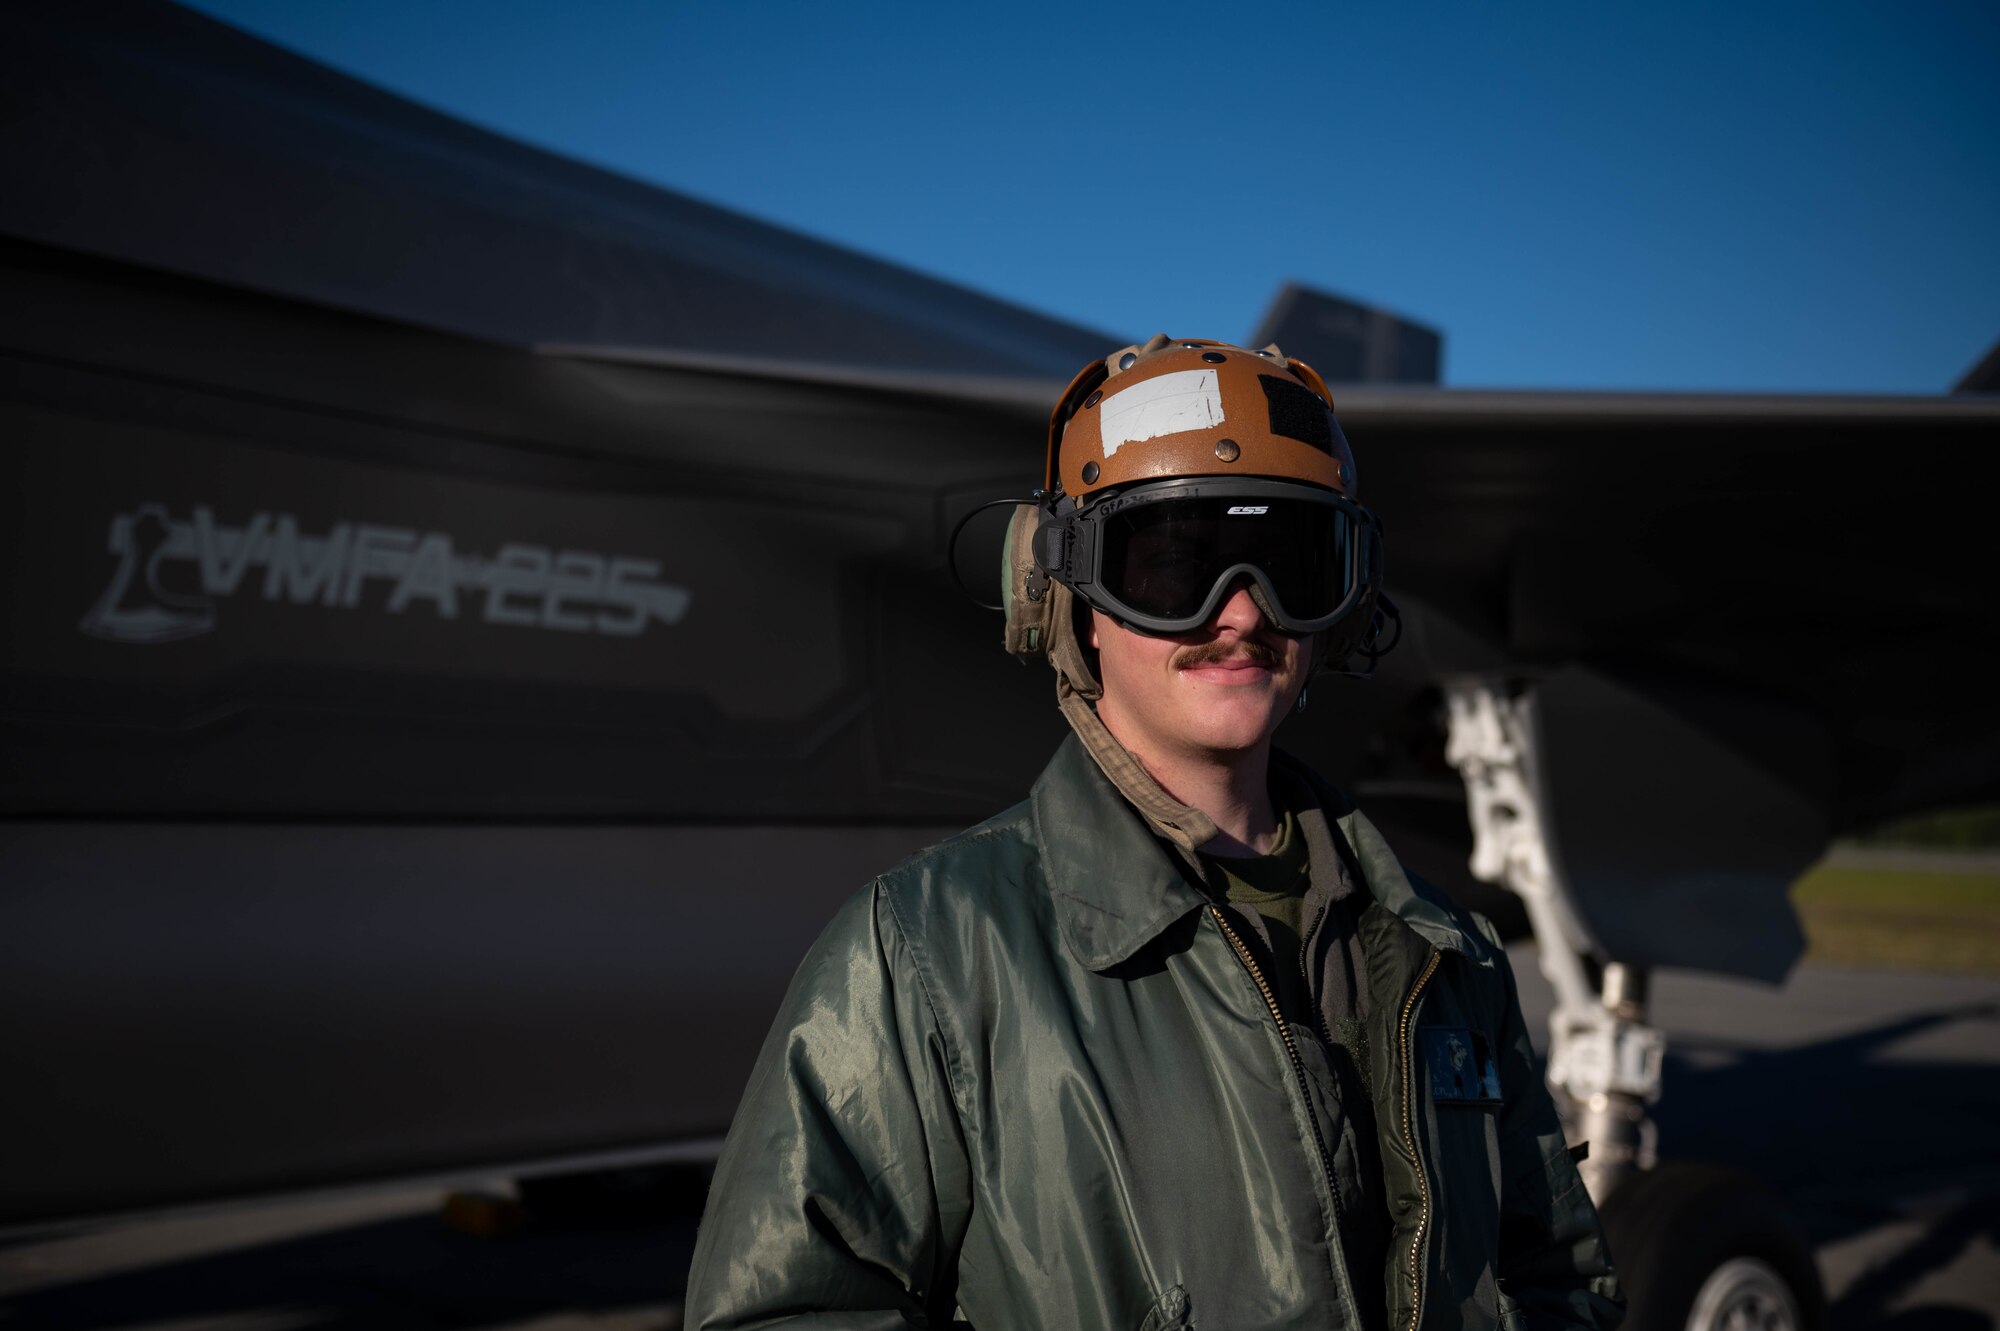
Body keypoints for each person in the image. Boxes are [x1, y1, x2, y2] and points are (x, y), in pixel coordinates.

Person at [684, 336, 1623, 1330]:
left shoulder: (1445, 954)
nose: (1243, 610)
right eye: (1175, 566)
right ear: (1068, 597)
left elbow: (1557, 1277)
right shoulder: (926, 950)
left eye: (1292, 562)